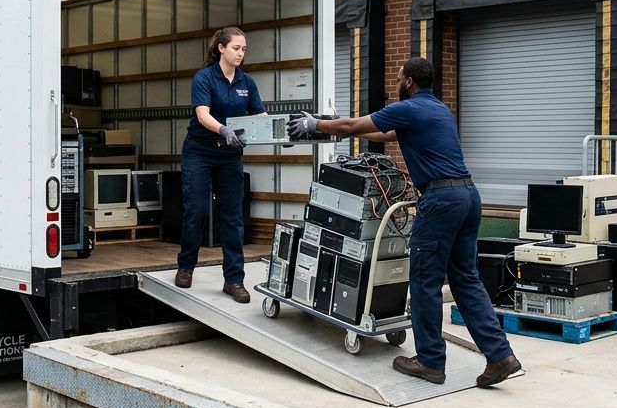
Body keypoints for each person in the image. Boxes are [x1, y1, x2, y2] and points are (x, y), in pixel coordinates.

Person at [287, 57, 521, 389]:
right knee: (466, 279)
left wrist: (317, 125)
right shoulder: (440, 110)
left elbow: (355, 127)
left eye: (398, 77)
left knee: (424, 282)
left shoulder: (409, 108)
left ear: (409, 81)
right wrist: (330, 123)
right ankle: (500, 356)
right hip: (469, 197)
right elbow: (384, 133)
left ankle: (429, 362)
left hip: (440, 201)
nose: (397, 82)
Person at [174, 26, 265, 303]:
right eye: (236, 48)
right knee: (197, 210)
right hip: (199, 151)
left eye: (244, 49)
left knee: (232, 216)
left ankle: (234, 280)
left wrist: (279, 133)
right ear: (221, 48)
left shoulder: (246, 83)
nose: (241, 53)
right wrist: (224, 129)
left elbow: (260, 116)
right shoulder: (204, 77)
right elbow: (202, 115)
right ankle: (186, 266)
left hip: (229, 155)